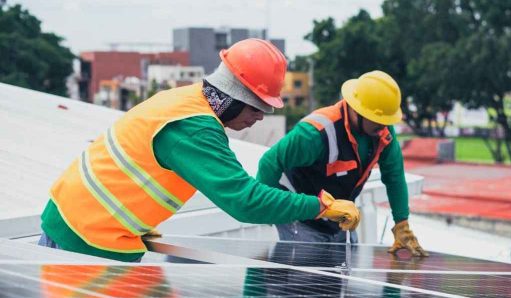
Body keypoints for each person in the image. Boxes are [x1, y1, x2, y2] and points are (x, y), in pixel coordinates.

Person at [37, 38, 360, 262]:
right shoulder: (194, 128)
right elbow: (244, 202)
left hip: (83, 223)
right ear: (234, 95)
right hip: (86, 238)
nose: (261, 116)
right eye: (257, 106)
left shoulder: (184, 100)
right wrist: (319, 206)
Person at [257, 70, 427, 257]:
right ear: (357, 111)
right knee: (307, 277)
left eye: (386, 121)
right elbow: (269, 163)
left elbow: (394, 176)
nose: (383, 127)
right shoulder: (315, 133)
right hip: (302, 218)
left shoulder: (382, 132)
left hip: (341, 217)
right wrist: (268, 209)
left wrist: (402, 223)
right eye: (378, 121)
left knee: (341, 275)